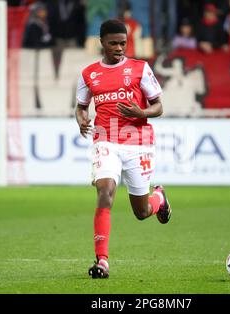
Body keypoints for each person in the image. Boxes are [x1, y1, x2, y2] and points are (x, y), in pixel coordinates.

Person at [75, 20, 172, 279]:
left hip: (138, 143)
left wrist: (142, 112)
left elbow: (158, 106)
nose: (119, 48)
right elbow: (82, 106)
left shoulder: (140, 69)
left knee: (141, 212)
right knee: (105, 191)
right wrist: (81, 117)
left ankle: (158, 199)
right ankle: (102, 261)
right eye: (113, 43)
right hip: (105, 140)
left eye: (123, 43)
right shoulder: (88, 74)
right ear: (102, 43)